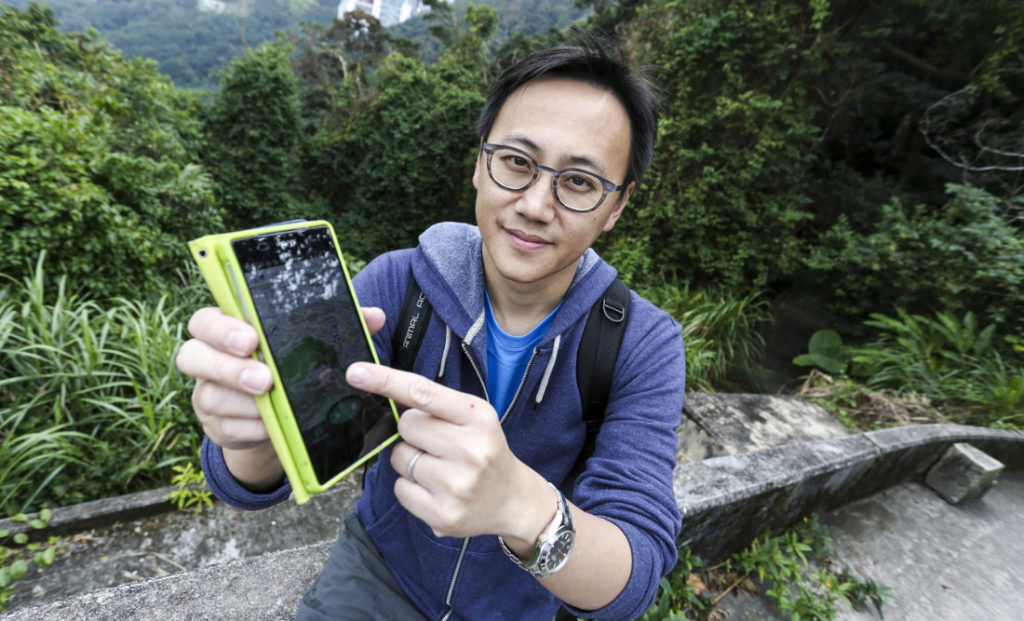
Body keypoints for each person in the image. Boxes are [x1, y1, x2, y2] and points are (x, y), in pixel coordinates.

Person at [176, 43, 686, 621]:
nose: (536, 205)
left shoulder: (643, 344)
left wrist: (524, 509)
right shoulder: (398, 284)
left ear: (617, 206)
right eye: (517, 162)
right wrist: (254, 435)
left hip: (516, 610)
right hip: (377, 570)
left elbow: (635, 573)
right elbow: (258, 475)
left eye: (580, 182)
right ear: (480, 163)